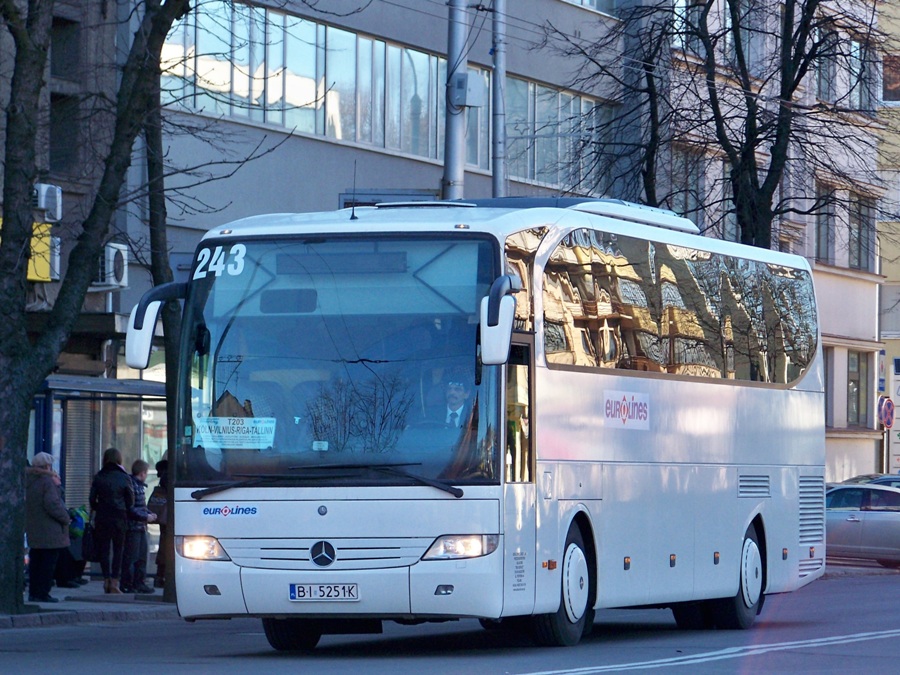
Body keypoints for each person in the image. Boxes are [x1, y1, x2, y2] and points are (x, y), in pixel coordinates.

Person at [24, 452, 71, 603]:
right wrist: (65, 518)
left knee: (36, 561)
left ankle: (34, 592)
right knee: (47, 564)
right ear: (47, 466)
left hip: (34, 526)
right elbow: (53, 504)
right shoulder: (47, 482)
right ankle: (42, 592)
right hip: (50, 529)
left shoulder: (28, 480)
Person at [90, 447, 135, 594]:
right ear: (119, 460)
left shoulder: (99, 476)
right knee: (118, 550)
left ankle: (106, 580)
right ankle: (115, 581)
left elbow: (92, 500)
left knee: (104, 549)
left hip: (102, 517)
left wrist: (100, 507)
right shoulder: (124, 477)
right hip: (119, 517)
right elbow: (130, 501)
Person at [121, 459, 157, 594]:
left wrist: (148, 513)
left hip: (139, 526)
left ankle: (137, 583)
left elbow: (140, 506)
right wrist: (146, 516)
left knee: (141, 556)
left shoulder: (137, 485)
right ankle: (129, 583)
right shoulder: (134, 486)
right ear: (143, 473)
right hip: (134, 527)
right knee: (133, 556)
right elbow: (131, 508)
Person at [150, 459, 170, 588]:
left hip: (165, 519)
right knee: (166, 547)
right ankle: (161, 576)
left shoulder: (165, 477)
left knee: (163, 546)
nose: (157, 475)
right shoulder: (169, 476)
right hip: (169, 518)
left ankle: (160, 576)